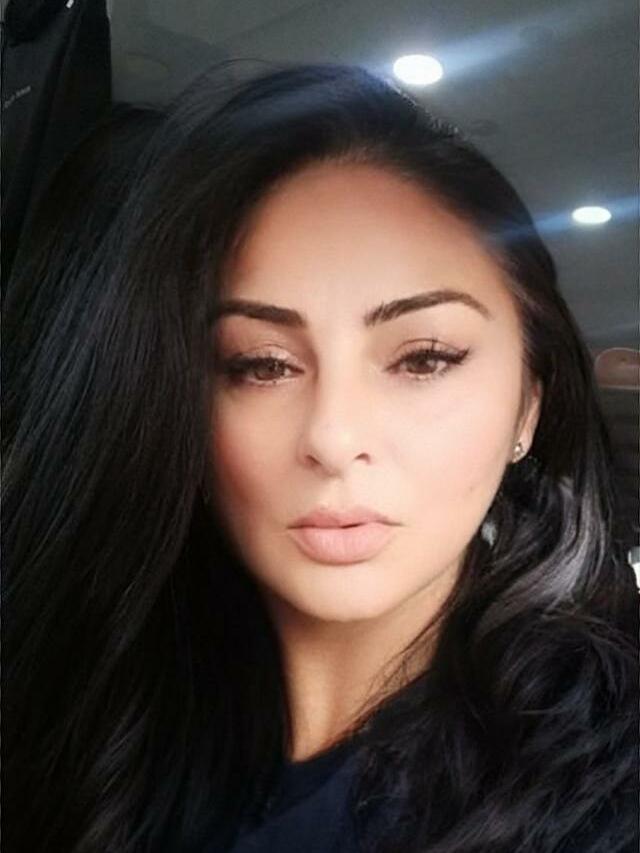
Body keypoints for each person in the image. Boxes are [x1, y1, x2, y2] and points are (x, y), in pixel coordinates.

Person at [3, 61, 637, 853]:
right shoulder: (97, 723)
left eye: (424, 358)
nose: (333, 438)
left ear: (528, 405)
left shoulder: (604, 790)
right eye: (260, 364)